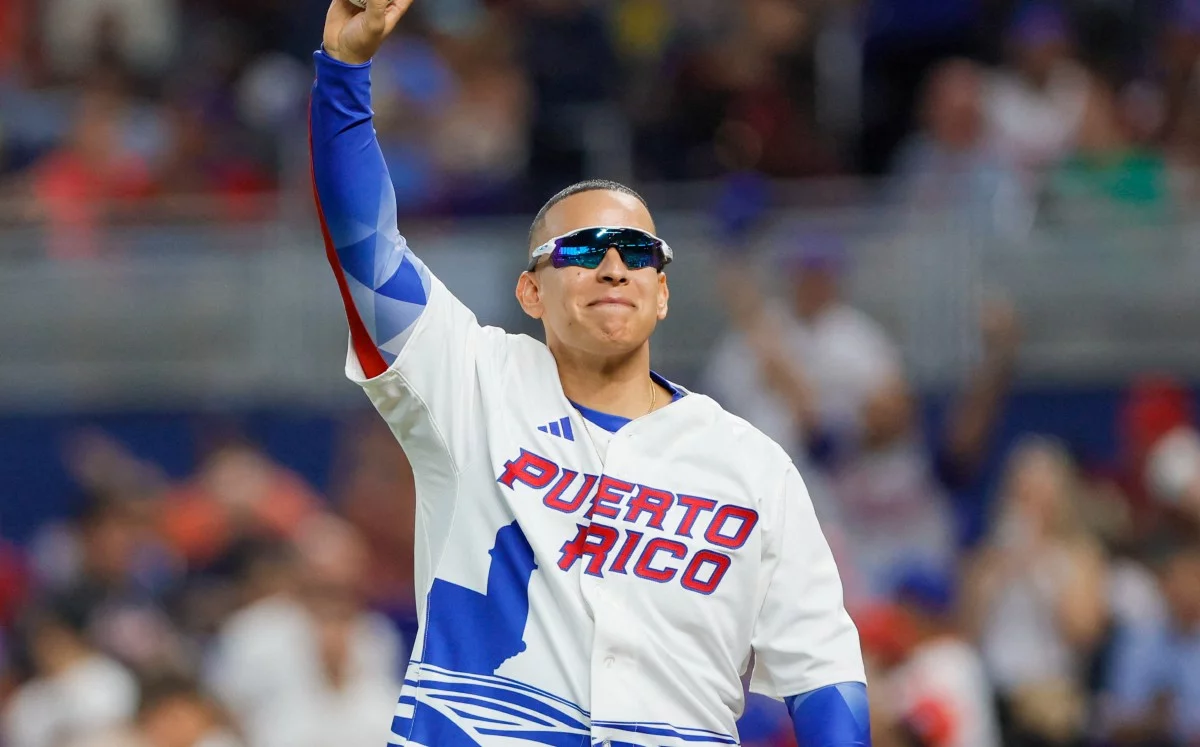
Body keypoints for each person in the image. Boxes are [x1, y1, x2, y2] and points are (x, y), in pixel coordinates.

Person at [309, 1, 869, 745]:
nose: (612, 265)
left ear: (661, 293)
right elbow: (368, 251)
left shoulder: (751, 465)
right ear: (530, 291)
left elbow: (823, 672)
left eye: (638, 252)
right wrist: (344, 73)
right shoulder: (473, 381)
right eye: (579, 250)